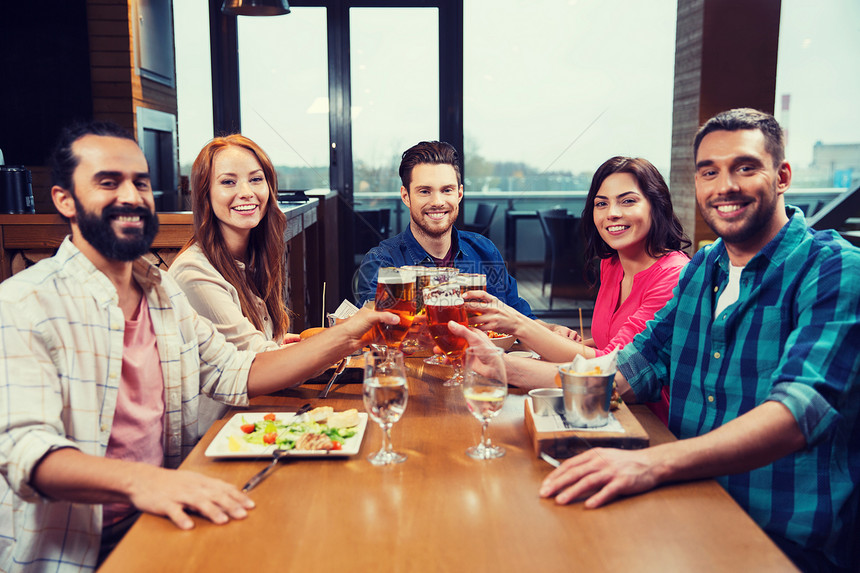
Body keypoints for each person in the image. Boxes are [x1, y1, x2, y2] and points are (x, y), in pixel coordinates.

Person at [450, 108, 860, 572]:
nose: (724, 185)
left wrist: (652, 464)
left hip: (785, 539)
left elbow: (797, 412)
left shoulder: (834, 269)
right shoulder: (705, 268)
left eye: (745, 167)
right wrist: (501, 367)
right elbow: (627, 369)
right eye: (709, 171)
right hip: (689, 503)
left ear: (782, 175)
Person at [0, 121, 397, 572]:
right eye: (108, 183)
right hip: (76, 552)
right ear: (64, 200)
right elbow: (23, 450)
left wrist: (352, 332)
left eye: (140, 182)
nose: (130, 196)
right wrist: (146, 483)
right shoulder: (22, 303)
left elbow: (237, 370)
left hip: (167, 511)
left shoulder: (160, 292)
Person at [463, 156, 689, 423]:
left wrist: (518, 325)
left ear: (657, 205)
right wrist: (559, 340)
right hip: (597, 409)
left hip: (647, 420)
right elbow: (615, 344)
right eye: (601, 203)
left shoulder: (674, 275)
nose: (612, 213)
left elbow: (612, 365)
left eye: (627, 201)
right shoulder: (612, 264)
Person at [355, 140, 570, 336]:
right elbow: (377, 335)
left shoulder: (484, 250)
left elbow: (518, 317)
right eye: (424, 191)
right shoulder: (381, 262)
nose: (438, 201)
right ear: (405, 196)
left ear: (459, 194)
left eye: (446, 190)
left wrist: (552, 330)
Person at [168, 135, 301, 433]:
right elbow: (258, 364)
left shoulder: (255, 258)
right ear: (205, 194)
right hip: (214, 436)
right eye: (228, 182)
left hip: (253, 419)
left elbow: (259, 352)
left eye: (256, 179)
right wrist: (342, 340)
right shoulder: (194, 273)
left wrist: (281, 346)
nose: (246, 192)